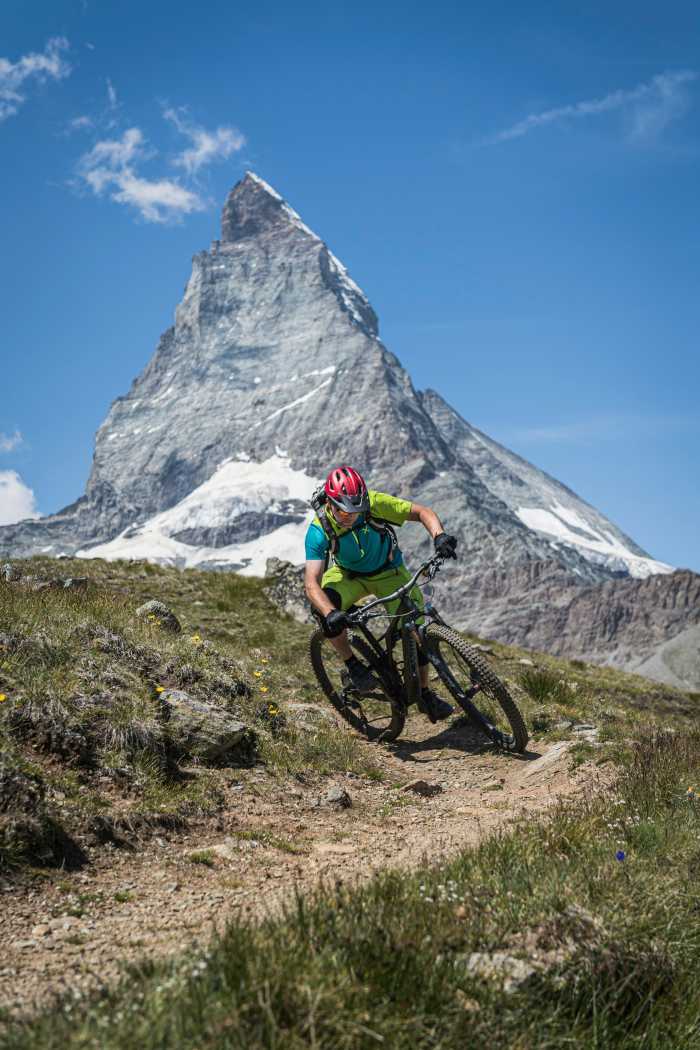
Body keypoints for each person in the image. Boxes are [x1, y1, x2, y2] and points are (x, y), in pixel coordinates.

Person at [304, 464, 458, 722]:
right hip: (347, 576)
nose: (350, 516)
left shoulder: (373, 503)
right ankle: (352, 664)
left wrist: (439, 535)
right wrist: (330, 613)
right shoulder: (318, 530)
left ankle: (425, 694)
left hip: (389, 571)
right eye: (343, 511)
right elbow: (311, 583)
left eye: (355, 510)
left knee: (417, 629)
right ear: (330, 502)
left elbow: (422, 512)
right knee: (323, 609)